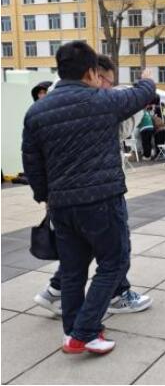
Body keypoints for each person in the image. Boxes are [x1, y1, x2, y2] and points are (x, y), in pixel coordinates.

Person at [22, 41, 157, 354]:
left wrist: (44, 195)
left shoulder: (37, 111)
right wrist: (148, 79)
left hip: (61, 205)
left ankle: (73, 332)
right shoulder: (102, 100)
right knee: (114, 262)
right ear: (91, 72)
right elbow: (140, 95)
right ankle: (84, 333)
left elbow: (32, 160)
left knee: (72, 271)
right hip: (102, 200)